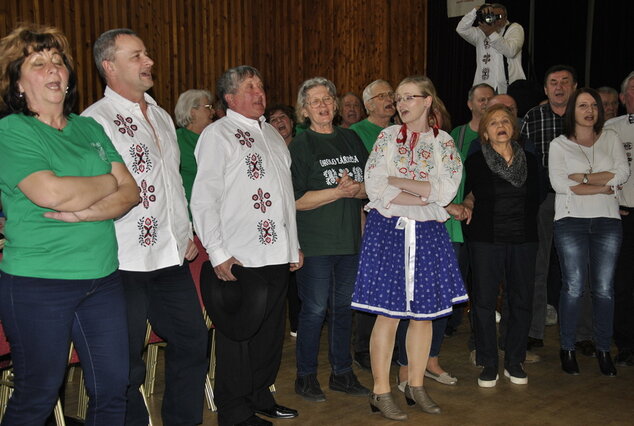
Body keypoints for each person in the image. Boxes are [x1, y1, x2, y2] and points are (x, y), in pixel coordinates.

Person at [0, 24, 139, 424]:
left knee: (114, 389)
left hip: (102, 279)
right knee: (38, 395)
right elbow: (52, 193)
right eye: (38, 63)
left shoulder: (88, 128)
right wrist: (108, 180)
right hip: (37, 284)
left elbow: (131, 194)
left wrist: (85, 206)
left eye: (57, 61)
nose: (53, 70)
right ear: (18, 82)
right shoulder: (12, 131)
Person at [82, 28, 208, 426]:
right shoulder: (94, 121)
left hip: (170, 256)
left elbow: (172, 182)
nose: (148, 61)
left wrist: (184, 231)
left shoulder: (162, 113)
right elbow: (95, 191)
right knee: (123, 360)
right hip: (123, 260)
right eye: (136, 56)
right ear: (109, 66)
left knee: (192, 341)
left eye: (147, 54)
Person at [191, 65, 302, 426]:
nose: (259, 93)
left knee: (270, 336)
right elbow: (204, 197)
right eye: (250, 87)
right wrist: (218, 252)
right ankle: (234, 412)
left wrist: (293, 245)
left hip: (276, 254)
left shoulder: (272, 133)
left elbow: (286, 197)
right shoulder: (217, 134)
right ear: (229, 97)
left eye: (261, 86)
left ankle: (259, 395)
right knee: (238, 338)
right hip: (240, 255)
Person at [352, 75, 467, 420]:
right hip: (389, 231)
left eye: (408, 98)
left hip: (428, 232)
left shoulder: (443, 142)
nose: (400, 104)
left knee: (425, 315)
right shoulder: (386, 137)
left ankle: (416, 385)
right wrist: (421, 191)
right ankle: (381, 391)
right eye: (397, 98)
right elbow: (374, 186)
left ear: (427, 100)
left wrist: (397, 183)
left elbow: (445, 192)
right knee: (388, 314)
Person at [290, 76, 370, 403]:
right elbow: (293, 200)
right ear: (304, 111)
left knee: (342, 308)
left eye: (327, 100)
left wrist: (355, 189)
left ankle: (342, 373)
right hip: (316, 244)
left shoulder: (351, 139)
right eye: (315, 102)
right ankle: (305, 376)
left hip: (349, 241)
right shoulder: (300, 145)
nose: (323, 106)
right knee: (314, 310)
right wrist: (336, 192)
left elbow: (371, 187)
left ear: (335, 106)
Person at [549, 87, 629, 376]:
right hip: (571, 220)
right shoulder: (559, 144)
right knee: (573, 286)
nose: (589, 110)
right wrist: (602, 185)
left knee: (605, 290)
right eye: (583, 105)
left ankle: (604, 349)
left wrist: (581, 179)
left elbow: (622, 174)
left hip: (608, 220)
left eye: (593, 105)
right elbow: (559, 184)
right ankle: (567, 347)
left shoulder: (611, 138)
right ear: (573, 110)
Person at [462, 104, 539, 387]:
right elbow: (469, 193)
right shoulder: (476, 161)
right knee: (483, 302)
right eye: (493, 122)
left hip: (524, 238)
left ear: (514, 128)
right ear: (485, 133)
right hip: (486, 239)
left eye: (505, 120)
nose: (500, 125)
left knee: (520, 300)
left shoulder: (530, 160)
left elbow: (539, 195)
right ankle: (488, 363)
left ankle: (515, 361)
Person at [520, 65, 577, 352]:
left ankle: (581, 335)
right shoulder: (533, 116)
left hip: (580, 201)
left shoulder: (583, 116)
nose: (559, 87)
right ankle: (534, 331)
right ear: (545, 89)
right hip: (543, 201)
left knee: (576, 270)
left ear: (574, 86)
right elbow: (522, 158)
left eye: (565, 82)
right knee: (538, 267)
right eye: (553, 82)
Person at [348, 79, 395, 370]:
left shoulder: (402, 131)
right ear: (368, 105)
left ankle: (394, 345)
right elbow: (357, 182)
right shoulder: (356, 133)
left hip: (402, 217)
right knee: (372, 285)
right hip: (371, 218)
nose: (390, 99)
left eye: (392, 94)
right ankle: (364, 347)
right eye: (383, 96)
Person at [604, 71, 634, 367]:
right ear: (624, 97)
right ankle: (625, 343)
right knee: (622, 283)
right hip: (624, 214)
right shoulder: (610, 129)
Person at [264, 104, 301, 338]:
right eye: (273, 119)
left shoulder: (301, 146)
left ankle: (298, 323)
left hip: (302, 217)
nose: (279, 122)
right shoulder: (267, 148)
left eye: (283, 117)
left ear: (292, 122)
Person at [456, 3, 525, 94]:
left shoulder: (514, 28)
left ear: (505, 17)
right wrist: (475, 11)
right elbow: (461, 29)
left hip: (509, 88)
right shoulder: (480, 32)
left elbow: (511, 51)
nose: (495, 20)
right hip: (485, 87)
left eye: (498, 16)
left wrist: (491, 33)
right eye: (492, 16)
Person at [174, 89, 214, 208]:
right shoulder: (176, 140)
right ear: (192, 112)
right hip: (188, 214)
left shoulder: (214, 139)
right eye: (208, 107)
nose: (213, 111)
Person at [350, 79, 396, 152]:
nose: (389, 99)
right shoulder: (356, 131)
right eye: (381, 96)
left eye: (390, 94)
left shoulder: (398, 129)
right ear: (369, 105)